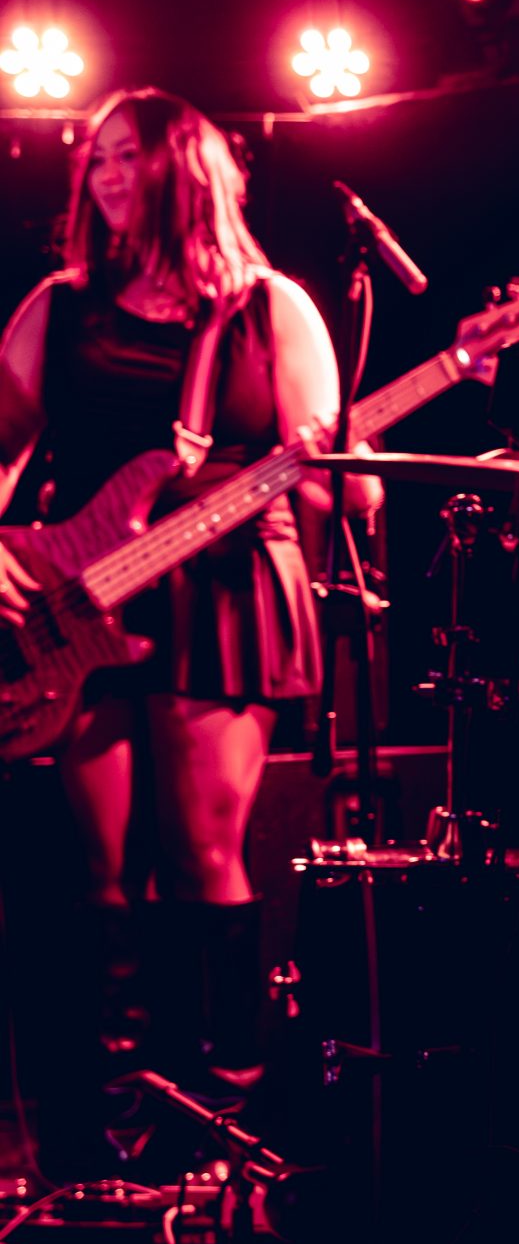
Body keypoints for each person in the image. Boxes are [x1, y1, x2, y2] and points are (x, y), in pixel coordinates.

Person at [0, 88, 378, 1177]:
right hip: (82, 597)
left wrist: (345, 473)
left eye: (130, 156)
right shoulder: (61, 308)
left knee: (202, 853)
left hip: (227, 591)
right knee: (102, 869)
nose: (107, 176)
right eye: (98, 160)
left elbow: (340, 490)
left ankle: (216, 1120)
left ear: (187, 167)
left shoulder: (270, 310)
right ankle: (111, 1124)